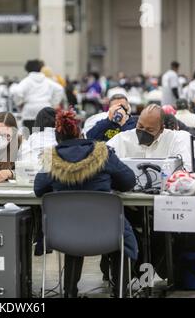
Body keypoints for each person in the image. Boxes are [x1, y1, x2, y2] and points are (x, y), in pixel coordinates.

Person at [34, 109, 138, 298]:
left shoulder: (51, 159)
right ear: (81, 133)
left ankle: (70, 292)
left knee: (75, 229)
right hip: (106, 230)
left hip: (64, 233)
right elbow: (129, 181)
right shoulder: (103, 153)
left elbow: (38, 189)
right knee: (120, 230)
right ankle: (119, 291)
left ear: (57, 139)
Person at [107, 104, 193, 171]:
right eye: (140, 126)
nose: (143, 131)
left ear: (161, 129)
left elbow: (186, 169)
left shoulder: (175, 139)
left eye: (150, 130)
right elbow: (102, 159)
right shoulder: (122, 138)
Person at [12, 60, 64, 131]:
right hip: (45, 109)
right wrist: (53, 104)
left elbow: (17, 91)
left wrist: (19, 103)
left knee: (31, 135)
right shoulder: (47, 80)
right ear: (41, 68)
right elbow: (60, 89)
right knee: (44, 135)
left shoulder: (26, 81)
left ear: (27, 69)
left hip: (30, 111)